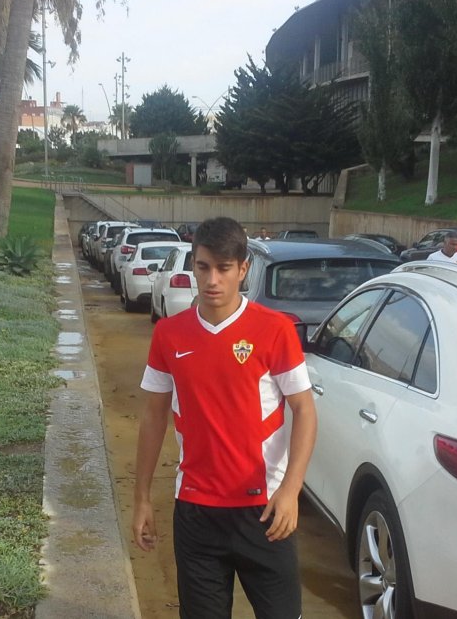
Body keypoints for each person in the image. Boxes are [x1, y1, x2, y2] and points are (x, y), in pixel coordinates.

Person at [133, 216, 317, 619]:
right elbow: (153, 418)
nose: (212, 279)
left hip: (265, 511)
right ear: (193, 266)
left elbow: (304, 409)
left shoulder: (274, 330)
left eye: (224, 268)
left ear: (243, 269)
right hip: (197, 513)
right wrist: (142, 498)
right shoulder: (169, 334)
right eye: (203, 267)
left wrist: (291, 490)